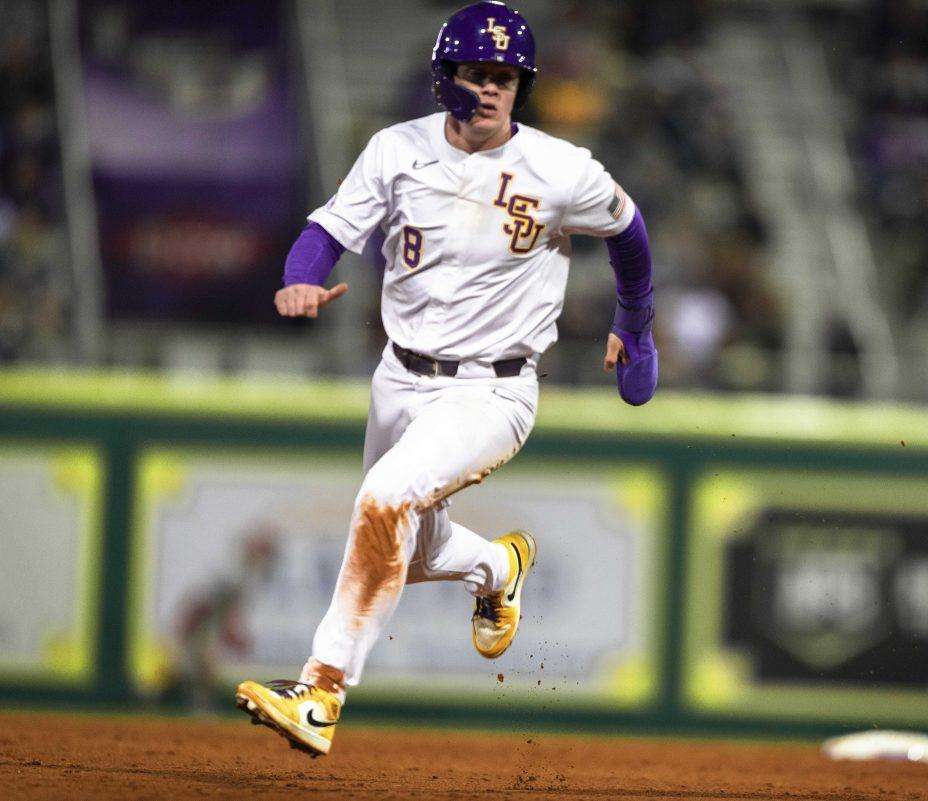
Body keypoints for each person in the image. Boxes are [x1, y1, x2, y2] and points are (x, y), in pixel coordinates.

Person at [234, 1, 657, 757]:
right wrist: (301, 277)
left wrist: (634, 322)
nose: (491, 89)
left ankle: (322, 690)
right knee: (410, 547)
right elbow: (328, 229)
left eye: (505, 76)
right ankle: (499, 564)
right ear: (444, 79)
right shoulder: (396, 151)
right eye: (475, 73)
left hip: (494, 389)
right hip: (399, 378)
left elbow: (628, 228)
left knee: (384, 499)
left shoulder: (560, 169)